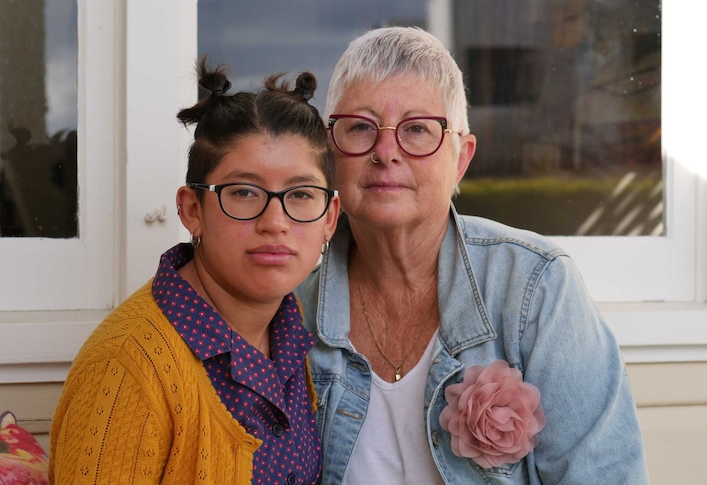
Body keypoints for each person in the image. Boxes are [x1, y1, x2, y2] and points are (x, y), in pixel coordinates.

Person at [295, 26, 650, 484]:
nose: (386, 152)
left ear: (460, 158)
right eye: (360, 127)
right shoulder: (294, 308)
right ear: (330, 152)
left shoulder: (536, 288)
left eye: (418, 129)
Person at [49, 58, 339, 484]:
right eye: (243, 192)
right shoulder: (126, 368)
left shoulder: (293, 335)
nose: (275, 221)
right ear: (191, 210)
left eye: (300, 194)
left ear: (330, 217)